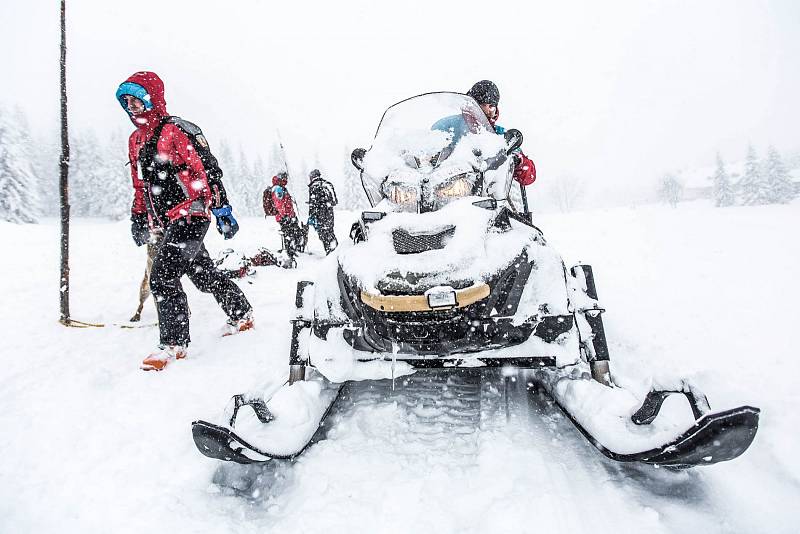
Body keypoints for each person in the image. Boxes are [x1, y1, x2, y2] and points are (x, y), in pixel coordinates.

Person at [116, 71, 254, 371]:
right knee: (203, 276)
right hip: (167, 220)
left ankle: (173, 344)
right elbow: (140, 185)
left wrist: (222, 210)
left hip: (192, 212)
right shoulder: (136, 140)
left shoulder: (176, 130)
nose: (131, 108)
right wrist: (139, 215)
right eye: (126, 103)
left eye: (136, 102)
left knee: (163, 276)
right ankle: (242, 313)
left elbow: (208, 169)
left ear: (151, 100)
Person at [466, 80, 536, 187]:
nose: (488, 110)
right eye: (483, 104)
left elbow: (528, 175)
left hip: (489, 190)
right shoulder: (451, 126)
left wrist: (518, 161)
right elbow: (434, 141)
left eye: (491, 106)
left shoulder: (500, 135)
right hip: (453, 182)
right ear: (472, 104)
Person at [268, 172, 304, 266]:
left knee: (291, 233)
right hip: (285, 217)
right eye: (285, 178)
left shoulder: (280, 187)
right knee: (290, 233)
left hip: (286, 216)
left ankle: (290, 250)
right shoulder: (278, 188)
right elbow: (279, 204)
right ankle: (289, 252)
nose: (287, 180)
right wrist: (286, 216)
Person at [306, 169, 339, 255]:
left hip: (319, 214)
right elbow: (335, 201)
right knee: (330, 231)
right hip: (329, 212)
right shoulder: (327, 184)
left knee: (323, 234)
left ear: (312, 177)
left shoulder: (313, 186)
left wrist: (311, 215)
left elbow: (313, 204)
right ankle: (336, 251)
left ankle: (329, 252)